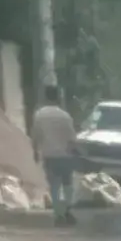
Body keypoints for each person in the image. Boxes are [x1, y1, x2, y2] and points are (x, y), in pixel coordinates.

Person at [31, 84, 80, 226]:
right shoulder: (65, 116)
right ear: (58, 97)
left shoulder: (39, 115)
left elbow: (35, 136)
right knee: (68, 183)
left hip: (49, 155)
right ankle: (68, 210)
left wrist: (35, 151)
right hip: (65, 155)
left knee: (54, 185)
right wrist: (75, 152)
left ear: (45, 97)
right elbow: (71, 138)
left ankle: (58, 214)